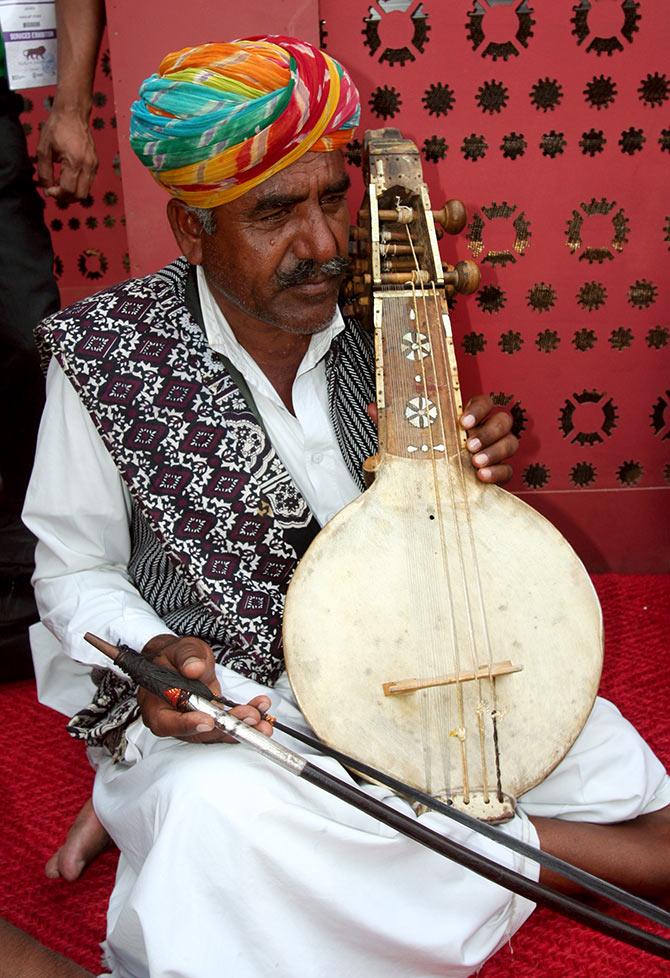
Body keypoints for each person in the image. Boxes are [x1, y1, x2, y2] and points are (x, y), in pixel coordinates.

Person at [23, 37, 669, 978]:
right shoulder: (105, 357)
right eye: (276, 213)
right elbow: (72, 567)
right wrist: (157, 661)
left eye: (334, 199)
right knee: (220, 821)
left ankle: (404, 853)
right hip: (243, 710)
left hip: (412, 664)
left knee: (602, 755)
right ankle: (548, 857)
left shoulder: (389, 313)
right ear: (193, 230)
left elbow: (431, 525)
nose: (323, 244)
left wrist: (461, 473)